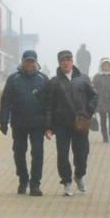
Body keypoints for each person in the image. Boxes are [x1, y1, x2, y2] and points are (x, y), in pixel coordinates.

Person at [44, 49, 98, 196]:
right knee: (62, 155)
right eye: (63, 60)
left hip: (81, 123)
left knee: (82, 154)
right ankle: (66, 182)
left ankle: (79, 175)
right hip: (61, 125)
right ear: (59, 63)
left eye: (68, 60)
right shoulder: (54, 82)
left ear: (72, 61)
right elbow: (49, 106)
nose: (66, 63)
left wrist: (88, 112)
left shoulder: (83, 78)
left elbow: (94, 96)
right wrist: (48, 127)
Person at [0, 50, 49, 196]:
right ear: (22, 61)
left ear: (36, 62)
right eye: (27, 61)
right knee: (19, 153)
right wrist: (3, 121)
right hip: (18, 122)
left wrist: (49, 124)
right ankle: (23, 179)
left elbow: (49, 103)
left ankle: (35, 184)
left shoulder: (43, 79)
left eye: (32, 61)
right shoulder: (13, 79)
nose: (29, 64)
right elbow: (6, 101)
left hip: (37, 123)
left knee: (37, 153)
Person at [93, 57, 110, 143]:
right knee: (103, 120)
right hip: (101, 101)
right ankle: (105, 136)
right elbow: (93, 89)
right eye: (104, 65)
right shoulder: (97, 77)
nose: (106, 66)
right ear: (101, 66)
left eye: (107, 65)